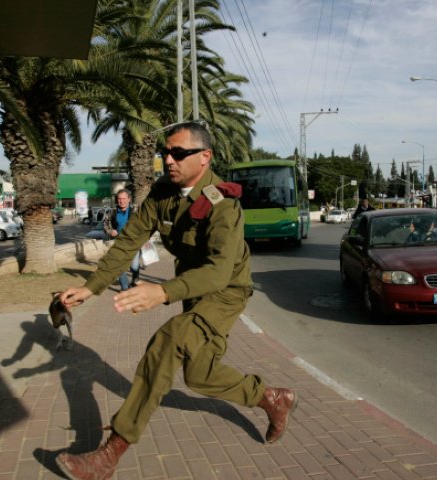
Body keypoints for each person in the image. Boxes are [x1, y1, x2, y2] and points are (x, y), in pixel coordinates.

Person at [55, 121, 298, 480]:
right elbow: (129, 241)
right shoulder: (162, 193)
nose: (169, 159)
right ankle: (272, 398)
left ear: (205, 157)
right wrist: (92, 286)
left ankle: (109, 456)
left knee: (167, 343)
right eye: (165, 152)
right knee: (200, 375)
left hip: (224, 292)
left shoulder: (223, 203)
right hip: (191, 289)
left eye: (178, 153)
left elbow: (217, 272)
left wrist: (161, 292)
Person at [104, 189, 140, 290]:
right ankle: (124, 287)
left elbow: (144, 224)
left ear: (129, 199)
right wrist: (110, 231)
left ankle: (135, 280)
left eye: (124, 198)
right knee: (119, 265)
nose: (121, 201)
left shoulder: (136, 210)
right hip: (118, 242)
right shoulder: (112, 211)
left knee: (134, 266)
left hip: (134, 242)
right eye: (119, 199)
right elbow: (105, 224)